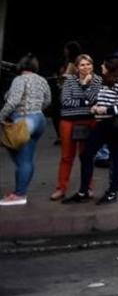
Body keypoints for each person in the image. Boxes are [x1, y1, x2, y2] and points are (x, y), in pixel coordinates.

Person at [68, 57, 118, 205]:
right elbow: (102, 100)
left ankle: (112, 191)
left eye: (104, 65)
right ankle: (84, 190)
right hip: (102, 122)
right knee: (86, 154)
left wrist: (106, 109)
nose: (101, 67)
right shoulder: (106, 82)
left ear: (111, 68)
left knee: (117, 158)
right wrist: (96, 106)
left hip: (116, 125)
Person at [1, 54, 52, 206]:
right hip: (39, 119)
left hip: (23, 119)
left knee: (21, 159)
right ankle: (20, 190)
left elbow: (13, 101)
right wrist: (36, 109)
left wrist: (1, 116)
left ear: (21, 66)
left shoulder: (19, 80)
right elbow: (48, 100)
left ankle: (19, 194)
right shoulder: (42, 80)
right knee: (27, 159)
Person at [52, 54, 100, 201]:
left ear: (92, 65)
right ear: (77, 67)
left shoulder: (97, 80)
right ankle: (61, 188)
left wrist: (85, 85)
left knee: (86, 156)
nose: (86, 67)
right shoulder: (69, 80)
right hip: (68, 121)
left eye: (88, 64)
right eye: (82, 65)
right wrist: (85, 101)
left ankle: (87, 187)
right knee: (67, 156)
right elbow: (65, 101)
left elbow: (95, 99)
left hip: (88, 121)